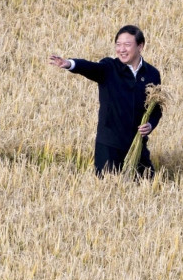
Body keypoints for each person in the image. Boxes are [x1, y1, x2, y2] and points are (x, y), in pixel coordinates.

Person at [49, 25, 162, 175]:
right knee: (108, 190)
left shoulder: (152, 74)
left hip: (137, 146)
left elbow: (156, 108)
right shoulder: (109, 68)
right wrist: (70, 64)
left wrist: (150, 124)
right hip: (109, 147)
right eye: (118, 44)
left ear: (140, 46)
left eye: (127, 45)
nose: (121, 49)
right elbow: (91, 67)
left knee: (148, 188)